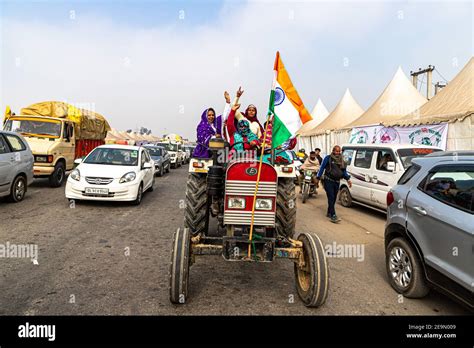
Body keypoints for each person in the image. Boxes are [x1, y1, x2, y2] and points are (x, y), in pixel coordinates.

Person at [316, 145, 352, 223]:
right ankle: (333, 215)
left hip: (337, 182)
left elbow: (344, 172)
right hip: (328, 181)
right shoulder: (328, 158)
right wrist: (318, 177)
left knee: (334, 198)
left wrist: (348, 179)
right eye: (336, 151)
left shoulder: (342, 160)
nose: (337, 153)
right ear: (333, 151)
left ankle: (329, 212)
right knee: (331, 197)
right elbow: (322, 167)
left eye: (339, 151)